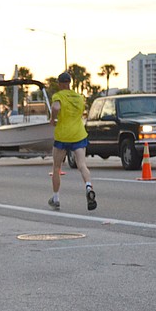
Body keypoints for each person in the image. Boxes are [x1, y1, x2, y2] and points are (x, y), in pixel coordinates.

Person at [48, 71, 96, 211]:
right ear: (70, 83)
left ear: (59, 84)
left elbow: (56, 107)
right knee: (82, 165)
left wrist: (53, 118)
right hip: (78, 134)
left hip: (63, 135)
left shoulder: (58, 96)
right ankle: (88, 187)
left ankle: (56, 198)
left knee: (56, 167)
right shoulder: (79, 97)